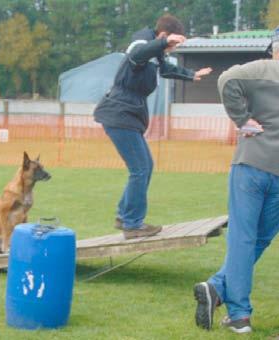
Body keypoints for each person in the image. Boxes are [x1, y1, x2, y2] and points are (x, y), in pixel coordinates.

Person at [193, 22, 279, 334]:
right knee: (261, 239)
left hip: (250, 164)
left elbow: (226, 79)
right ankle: (220, 293)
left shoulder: (262, 68)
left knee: (242, 238)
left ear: (277, 49)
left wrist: (242, 119)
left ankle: (236, 311)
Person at [93, 14, 212, 239]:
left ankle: (125, 216)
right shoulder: (141, 44)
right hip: (119, 114)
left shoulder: (155, 55)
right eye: (173, 44)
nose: (172, 49)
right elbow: (137, 54)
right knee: (140, 169)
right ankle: (132, 224)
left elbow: (165, 69)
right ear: (163, 35)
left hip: (128, 115)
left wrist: (191, 74)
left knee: (145, 166)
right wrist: (164, 43)